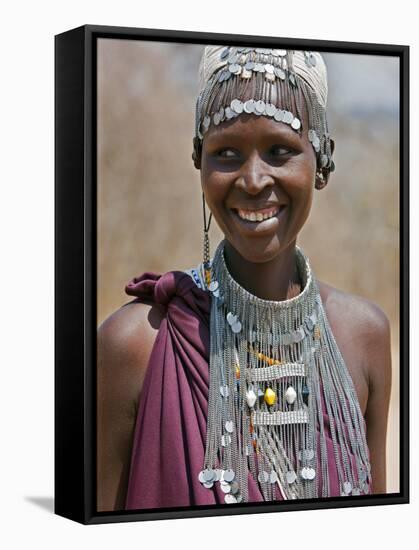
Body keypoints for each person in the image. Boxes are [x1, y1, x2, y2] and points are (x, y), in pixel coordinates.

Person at [97, 45, 392, 511]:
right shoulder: (135, 345)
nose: (253, 180)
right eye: (227, 153)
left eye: (280, 151)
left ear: (322, 162)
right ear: (200, 162)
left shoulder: (364, 337)